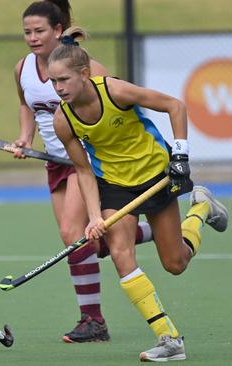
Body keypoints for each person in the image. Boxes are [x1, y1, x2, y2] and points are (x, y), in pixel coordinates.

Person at [49, 27, 229, 362]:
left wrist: (180, 155)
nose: (58, 89)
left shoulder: (115, 91)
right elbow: (85, 171)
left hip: (155, 175)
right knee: (119, 252)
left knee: (175, 263)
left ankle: (200, 208)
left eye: (63, 81)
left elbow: (174, 106)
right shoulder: (64, 120)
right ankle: (169, 339)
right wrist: (92, 216)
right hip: (113, 184)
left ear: (85, 75)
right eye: (53, 82)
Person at [12, 0, 153, 343]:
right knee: (96, 244)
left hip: (86, 162)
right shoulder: (22, 69)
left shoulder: (86, 67)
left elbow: (114, 108)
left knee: (71, 233)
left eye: (39, 31)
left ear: (58, 30)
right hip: (54, 163)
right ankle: (161, 232)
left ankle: (92, 320)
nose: (32, 38)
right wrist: (24, 138)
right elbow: (25, 104)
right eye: (27, 32)